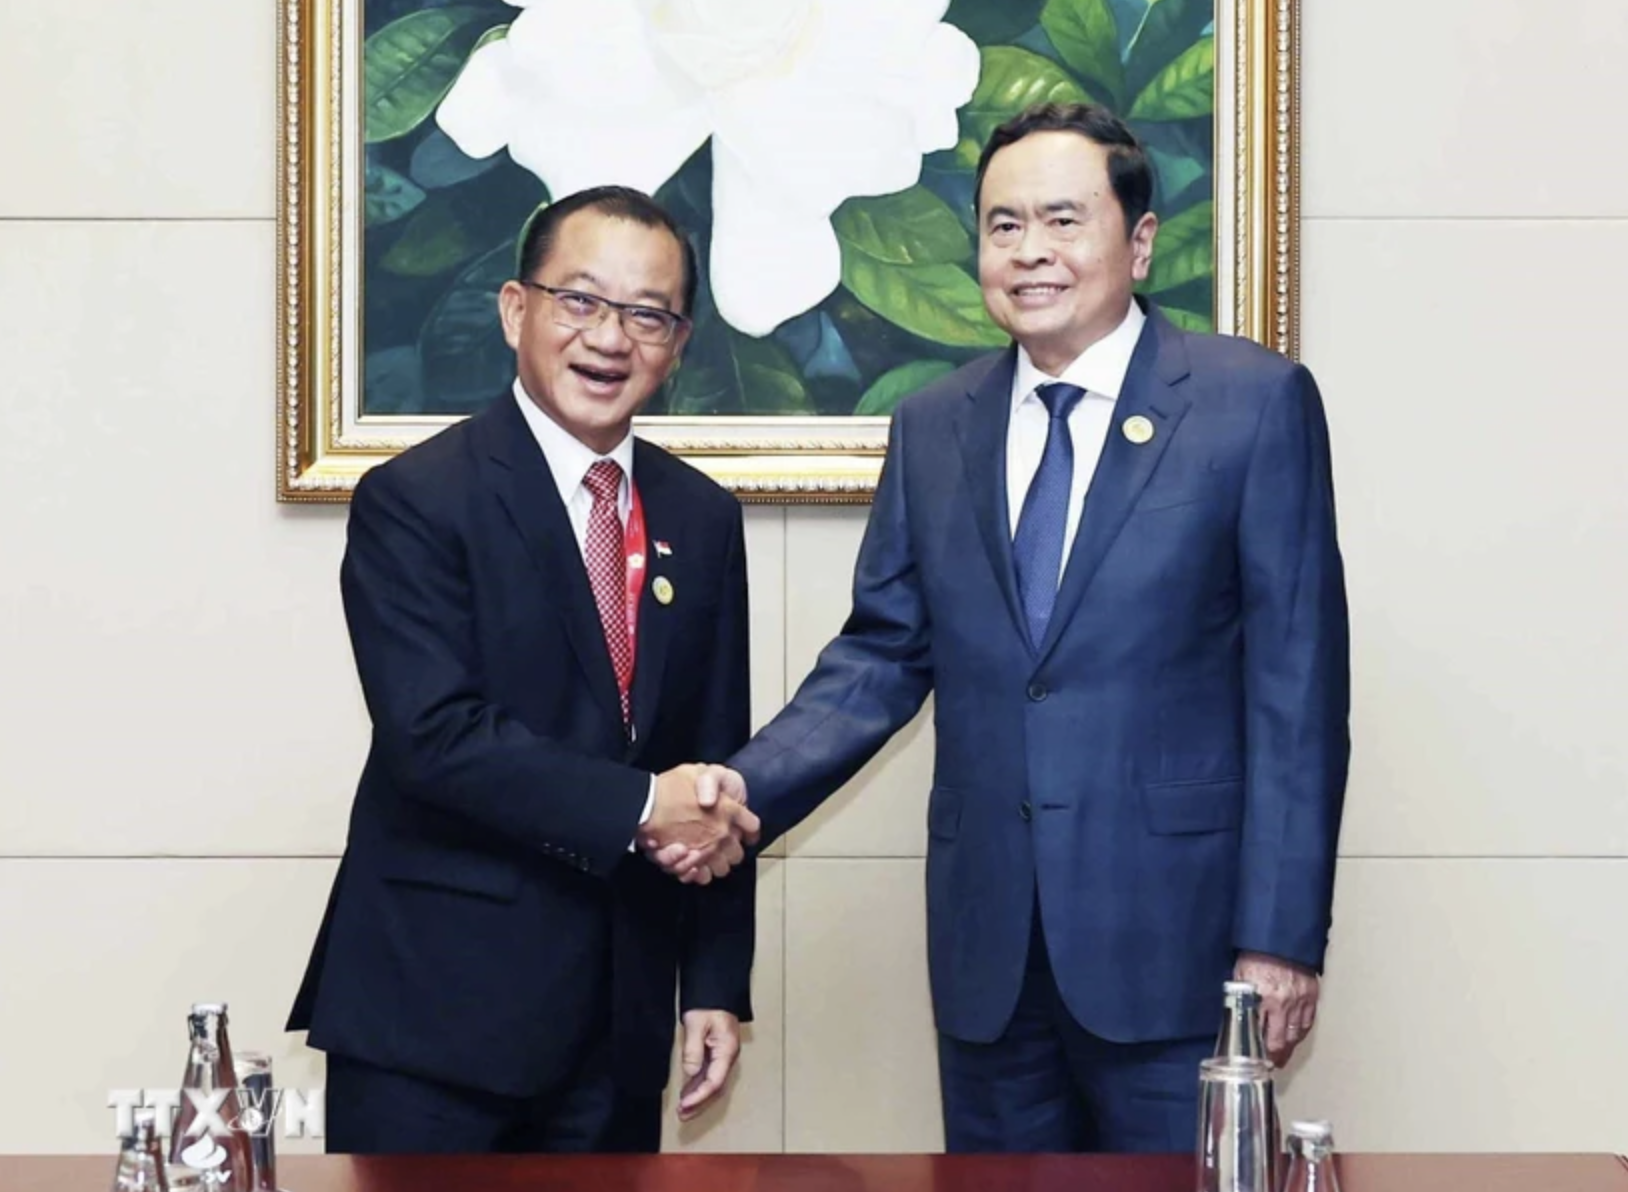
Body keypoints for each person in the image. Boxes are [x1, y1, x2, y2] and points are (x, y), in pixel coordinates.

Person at [658, 103, 1350, 1153]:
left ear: (1139, 238)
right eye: (1001, 224)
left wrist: (1278, 941)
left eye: (1062, 220)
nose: (1029, 251)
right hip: (989, 956)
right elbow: (882, 653)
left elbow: (1298, 693)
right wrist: (742, 788)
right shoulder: (935, 423)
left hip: (1183, 953)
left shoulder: (1248, 405)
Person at [287, 186, 762, 1155]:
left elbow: (714, 766)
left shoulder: (701, 518)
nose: (609, 338)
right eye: (578, 300)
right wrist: (640, 806)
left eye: (646, 314)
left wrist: (712, 982)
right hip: (432, 1024)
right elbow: (435, 738)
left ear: (675, 344)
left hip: (616, 1029)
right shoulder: (415, 499)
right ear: (515, 311)